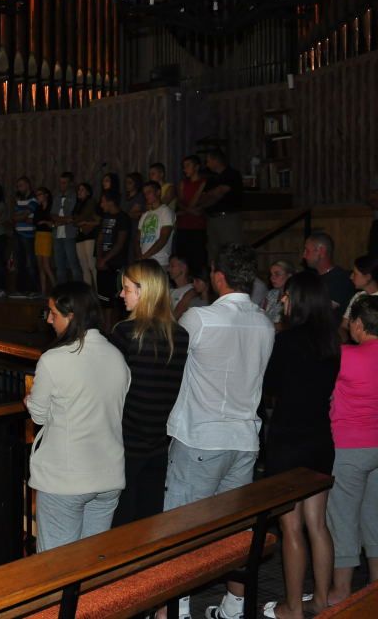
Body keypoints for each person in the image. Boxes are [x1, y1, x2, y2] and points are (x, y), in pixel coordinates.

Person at [165, 244, 275, 619]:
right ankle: (234, 607)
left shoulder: (200, 318)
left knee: (183, 529)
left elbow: (170, 363)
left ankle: (177, 609)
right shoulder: (264, 323)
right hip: (244, 439)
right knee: (235, 529)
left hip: (201, 437)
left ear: (218, 276)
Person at [25, 282, 130, 551]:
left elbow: (38, 415)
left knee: (56, 563)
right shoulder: (117, 356)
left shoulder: (54, 360)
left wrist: (29, 400)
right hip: (109, 475)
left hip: (66, 478)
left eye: (53, 313)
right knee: (92, 558)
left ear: (71, 316)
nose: (49, 320)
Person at [261, 271, 339, 619]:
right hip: (320, 437)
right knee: (317, 524)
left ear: (300, 300)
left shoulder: (287, 341)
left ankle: (293, 607)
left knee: (291, 526)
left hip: (289, 440)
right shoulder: (331, 343)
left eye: (287, 295)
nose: (283, 300)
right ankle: (321, 600)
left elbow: (270, 385)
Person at [111, 261, 189, 526]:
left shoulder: (125, 333)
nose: (121, 294)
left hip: (125, 444)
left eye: (126, 288)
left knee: (120, 527)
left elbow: (111, 392)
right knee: (148, 523)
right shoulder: (180, 336)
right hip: (159, 443)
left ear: (144, 291)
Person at [327, 296, 378, 606]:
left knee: (343, 518)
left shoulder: (345, 356)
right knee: (375, 517)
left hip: (349, 446)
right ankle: (375, 588)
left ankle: (341, 591)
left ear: (358, 324)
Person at [197, 150, 243, 262]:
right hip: (212, 218)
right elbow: (203, 197)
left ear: (216, 160)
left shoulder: (232, 174)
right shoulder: (212, 179)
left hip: (227, 217)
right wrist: (210, 195)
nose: (207, 164)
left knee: (231, 250)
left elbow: (220, 192)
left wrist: (210, 195)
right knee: (213, 251)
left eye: (208, 161)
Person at [302, 232, 355, 319]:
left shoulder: (340, 278)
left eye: (307, 251)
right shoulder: (314, 277)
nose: (304, 255)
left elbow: (321, 312)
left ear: (321, 251)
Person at [94, 190, 131, 312]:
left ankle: (115, 324)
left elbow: (120, 243)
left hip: (116, 263)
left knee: (117, 300)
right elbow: (99, 239)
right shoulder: (105, 217)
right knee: (104, 299)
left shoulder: (123, 218)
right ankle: (105, 324)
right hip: (103, 264)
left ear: (111, 202)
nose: (101, 205)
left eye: (103, 201)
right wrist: (99, 259)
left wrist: (104, 260)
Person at [175, 155, 209, 274]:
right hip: (182, 226)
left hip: (198, 227)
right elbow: (180, 202)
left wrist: (184, 211)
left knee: (197, 260)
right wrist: (189, 210)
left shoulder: (204, 182)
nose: (185, 169)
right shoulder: (183, 183)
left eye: (188, 166)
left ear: (197, 167)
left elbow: (199, 203)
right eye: (183, 166)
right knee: (182, 259)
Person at [136, 181, 175, 268]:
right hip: (144, 261)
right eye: (145, 193)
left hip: (159, 262)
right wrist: (140, 257)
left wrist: (144, 257)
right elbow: (138, 240)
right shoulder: (145, 215)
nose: (146, 196)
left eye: (149, 192)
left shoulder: (166, 211)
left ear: (158, 192)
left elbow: (163, 239)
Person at [339, 254, 378, 342]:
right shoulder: (358, 296)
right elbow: (344, 326)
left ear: (368, 277)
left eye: (355, 273)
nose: (351, 277)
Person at [52, 172, 81, 285]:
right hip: (57, 234)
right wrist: (64, 220)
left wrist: (60, 221)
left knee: (73, 263)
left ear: (70, 183)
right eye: (60, 182)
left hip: (69, 234)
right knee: (59, 265)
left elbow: (72, 216)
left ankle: (78, 290)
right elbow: (53, 214)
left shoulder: (74, 196)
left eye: (64, 183)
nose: (62, 185)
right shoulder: (57, 196)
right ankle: (62, 290)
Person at [12, 177, 39, 295]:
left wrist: (21, 216)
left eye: (21, 185)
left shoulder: (33, 199)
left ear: (28, 185)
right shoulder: (19, 201)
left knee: (30, 263)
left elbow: (24, 215)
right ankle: (20, 289)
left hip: (28, 235)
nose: (19, 188)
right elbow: (14, 217)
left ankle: (33, 289)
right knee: (20, 263)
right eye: (18, 186)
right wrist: (21, 217)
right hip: (18, 233)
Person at [74, 182, 99, 287]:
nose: (79, 192)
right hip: (80, 235)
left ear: (88, 192)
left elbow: (83, 216)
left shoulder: (91, 202)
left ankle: (98, 291)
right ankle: (88, 290)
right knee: (84, 266)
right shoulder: (78, 204)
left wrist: (81, 221)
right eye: (78, 190)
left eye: (82, 190)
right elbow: (75, 219)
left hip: (89, 235)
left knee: (91, 265)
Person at [33, 187, 56, 296]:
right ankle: (43, 292)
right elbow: (35, 222)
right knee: (40, 266)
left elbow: (53, 224)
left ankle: (56, 290)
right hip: (38, 235)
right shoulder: (38, 208)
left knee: (46, 265)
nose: (38, 197)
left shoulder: (51, 207)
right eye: (37, 195)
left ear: (46, 195)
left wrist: (45, 222)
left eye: (40, 194)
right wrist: (42, 222)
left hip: (47, 235)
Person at [262, 260, 295, 324]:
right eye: (271, 274)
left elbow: (288, 324)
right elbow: (263, 315)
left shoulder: (294, 296)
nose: (272, 278)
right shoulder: (271, 294)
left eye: (277, 274)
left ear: (289, 276)